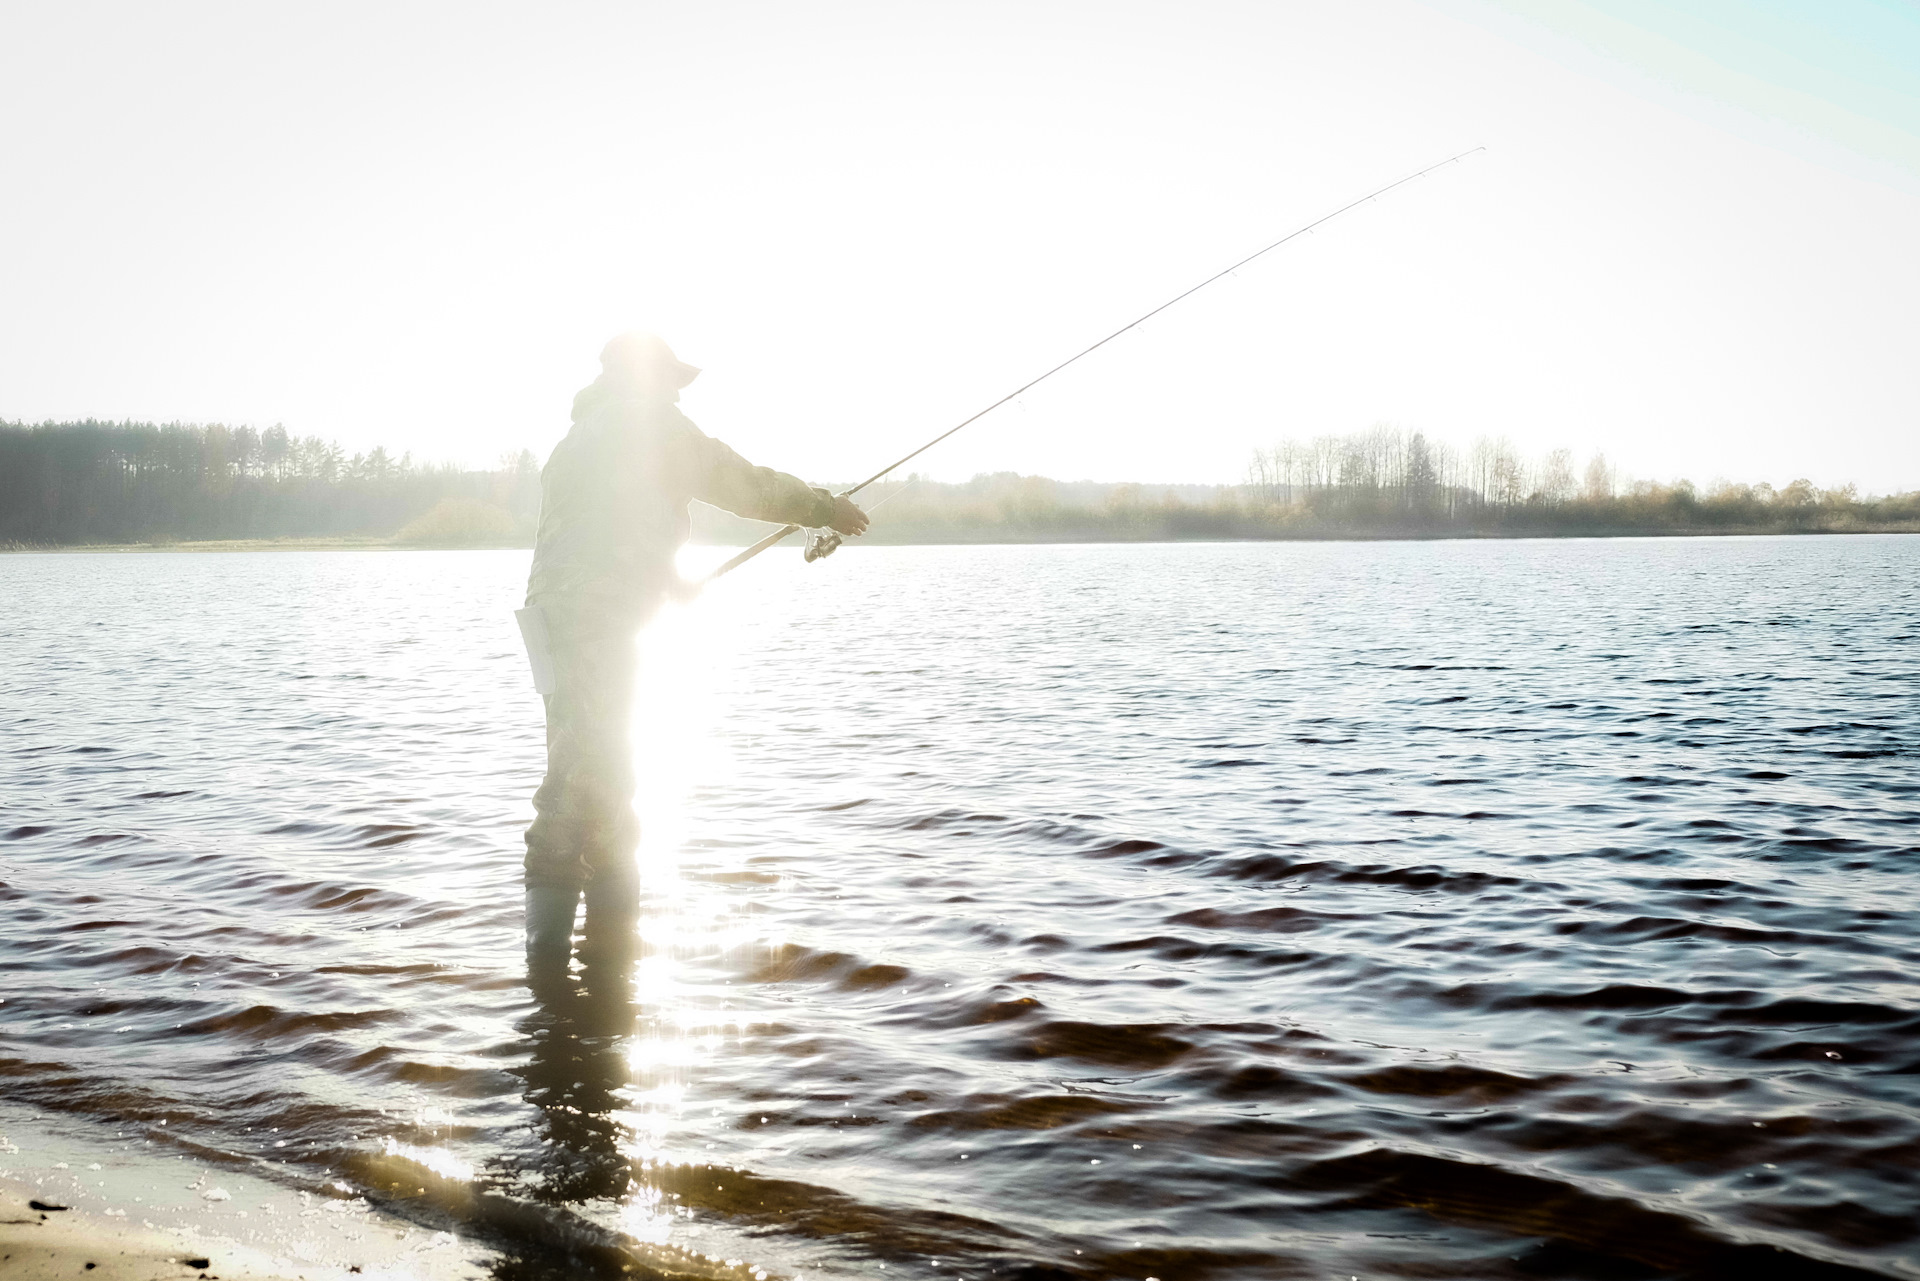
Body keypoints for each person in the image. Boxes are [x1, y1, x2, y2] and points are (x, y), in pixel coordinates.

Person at [519, 332, 868, 967]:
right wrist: (823, 507)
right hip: (601, 623)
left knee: (598, 777)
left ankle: (601, 971)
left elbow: (600, 529)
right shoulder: (649, 425)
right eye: (670, 379)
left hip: (555, 625)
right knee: (581, 788)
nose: (677, 390)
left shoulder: (574, 442)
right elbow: (741, 485)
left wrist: (664, 580)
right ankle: (552, 972)